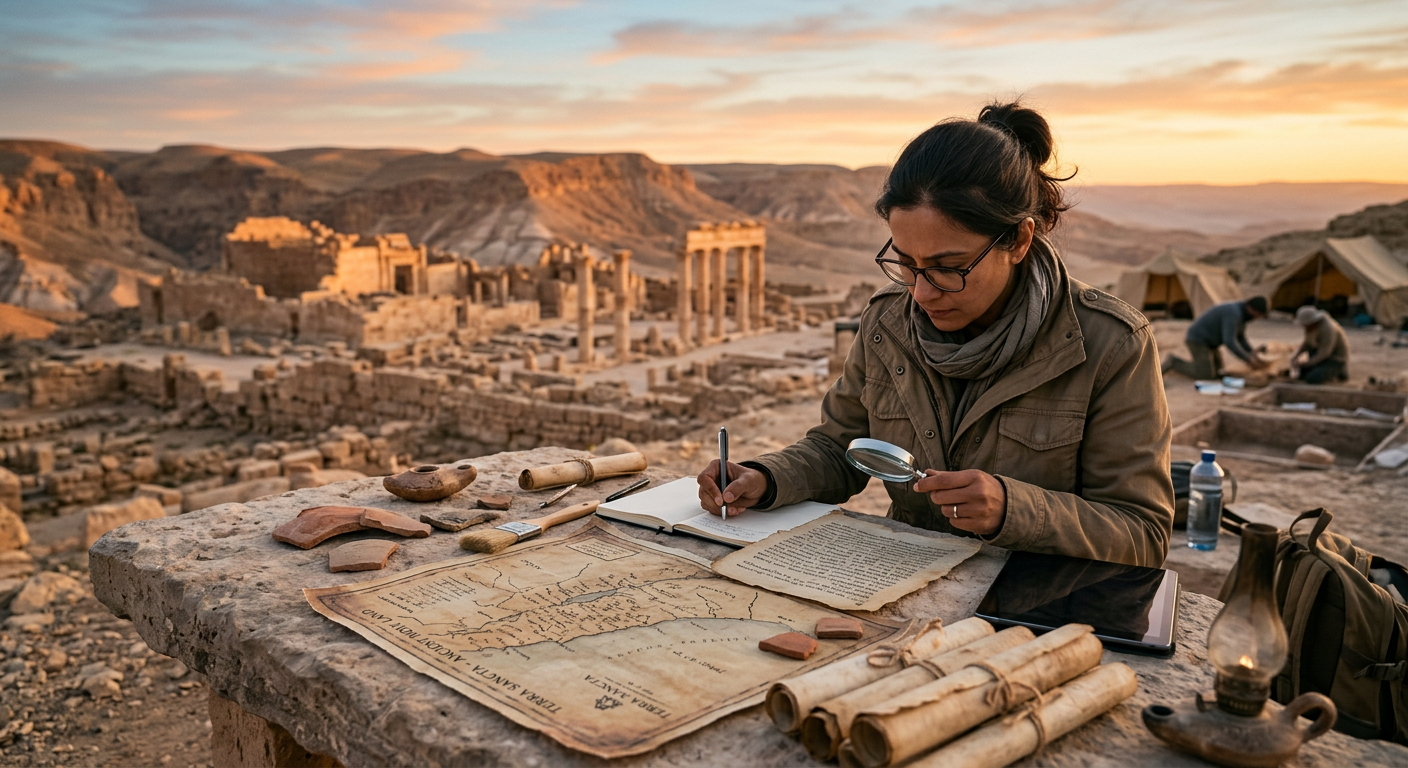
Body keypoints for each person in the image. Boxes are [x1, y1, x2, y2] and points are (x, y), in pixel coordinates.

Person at [696, 102, 1173, 567]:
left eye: (948, 268)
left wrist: (1013, 508)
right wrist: (764, 477)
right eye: (906, 263)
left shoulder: (1111, 344)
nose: (921, 293)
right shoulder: (888, 323)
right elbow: (841, 449)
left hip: (1030, 613)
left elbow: (1143, 532)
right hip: (902, 581)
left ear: (1020, 240)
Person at [1162, 297, 1269, 380]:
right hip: (1198, 340)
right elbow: (1229, 341)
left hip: (1211, 343)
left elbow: (1240, 338)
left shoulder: (1242, 314)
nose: (1257, 318)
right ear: (1251, 308)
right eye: (1258, 315)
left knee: (1219, 373)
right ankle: (1174, 362)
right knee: (1205, 375)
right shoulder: (1233, 314)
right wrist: (1248, 359)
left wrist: (1251, 352)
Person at [1292, 305, 1349, 384]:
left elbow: (1325, 352)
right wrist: (1295, 356)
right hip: (1320, 355)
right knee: (1302, 374)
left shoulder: (1328, 329)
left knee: (1312, 378)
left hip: (1334, 359)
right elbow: (1307, 344)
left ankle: (1339, 371)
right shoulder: (1311, 328)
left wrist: (1308, 363)